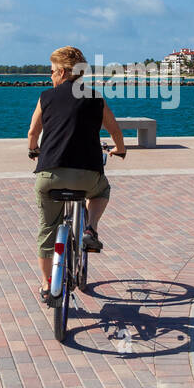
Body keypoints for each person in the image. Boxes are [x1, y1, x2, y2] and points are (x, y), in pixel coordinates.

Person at [27, 46, 126, 305]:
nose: (50, 77)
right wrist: (120, 149)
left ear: (61, 71)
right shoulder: (95, 98)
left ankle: (48, 285)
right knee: (102, 190)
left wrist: (32, 150)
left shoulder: (45, 96)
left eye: (51, 72)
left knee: (47, 228)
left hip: (50, 176)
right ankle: (91, 229)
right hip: (87, 176)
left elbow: (32, 134)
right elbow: (115, 130)